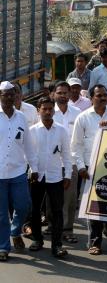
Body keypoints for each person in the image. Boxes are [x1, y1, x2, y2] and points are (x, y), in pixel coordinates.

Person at [71, 84, 107, 256]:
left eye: (105, 95)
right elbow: (76, 146)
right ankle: (94, 242)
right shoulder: (83, 118)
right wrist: (81, 167)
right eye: (99, 96)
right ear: (92, 98)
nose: (103, 98)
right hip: (91, 169)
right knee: (94, 207)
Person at [0, 81, 38, 262]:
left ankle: (15, 231)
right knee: (1, 214)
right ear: (0, 96)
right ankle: (3, 247)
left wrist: (34, 167)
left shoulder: (21, 117)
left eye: (12, 94)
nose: (9, 97)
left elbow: (29, 145)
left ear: (16, 96)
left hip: (18, 172)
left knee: (23, 206)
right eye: (5, 94)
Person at [29, 96, 71, 258]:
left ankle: (57, 244)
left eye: (50, 109)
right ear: (38, 111)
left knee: (57, 211)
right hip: (36, 176)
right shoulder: (32, 131)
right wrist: (32, 169)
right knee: (34, 210)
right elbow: (28, 154)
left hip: (55, 176)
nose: (47, 112)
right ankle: (37, 240)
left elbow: (67, 155)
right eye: (44, 109)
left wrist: (67, 175)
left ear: (54, 110)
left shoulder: (61, 130)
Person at [50, 81, 81, 243]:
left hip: (71, 162)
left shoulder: (77, 113)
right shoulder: (48, 112)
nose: (62, 95)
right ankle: (52, 226)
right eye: (59, 93)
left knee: (70, 198)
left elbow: (81, 138)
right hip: (51, 162)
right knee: (51, 198)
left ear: (70, 95)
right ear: (54, 94)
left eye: (65, 93)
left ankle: (68, 229)